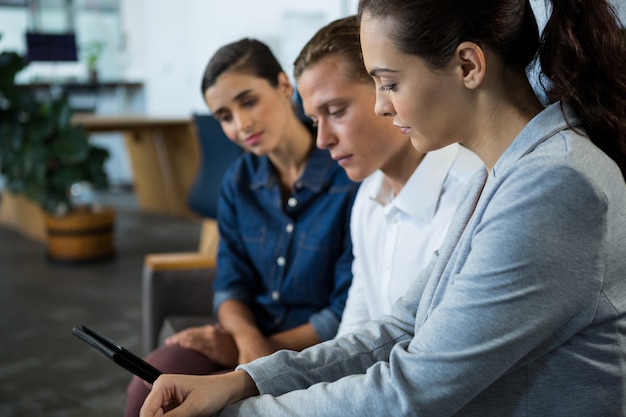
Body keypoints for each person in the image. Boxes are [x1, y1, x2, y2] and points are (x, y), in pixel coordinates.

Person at [141, 0, 626, 415]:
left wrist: (236, 410)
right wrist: (245, 380)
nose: (380, 107)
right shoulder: (499, 172)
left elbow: (410, 391)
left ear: (468, 66)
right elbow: (402, 327)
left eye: (389, 83)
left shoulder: (553, 183)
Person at [124, 38, 358, 416]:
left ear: (285, 87)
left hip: (317, 351)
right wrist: (245, 337)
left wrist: (246, 349)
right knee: (147, 389)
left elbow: (342, 310)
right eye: (224, 116)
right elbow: (230, 283)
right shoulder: (237, 182)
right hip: (248, 335)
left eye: (248, 101)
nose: (241, 124)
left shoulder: (347, 172)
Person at [293, 15, 482, 337]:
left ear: (387, 89)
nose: (323, 140)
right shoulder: (367, 199)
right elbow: (355, 333)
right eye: (314, 121)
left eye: (336, 111)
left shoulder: (471, 196)